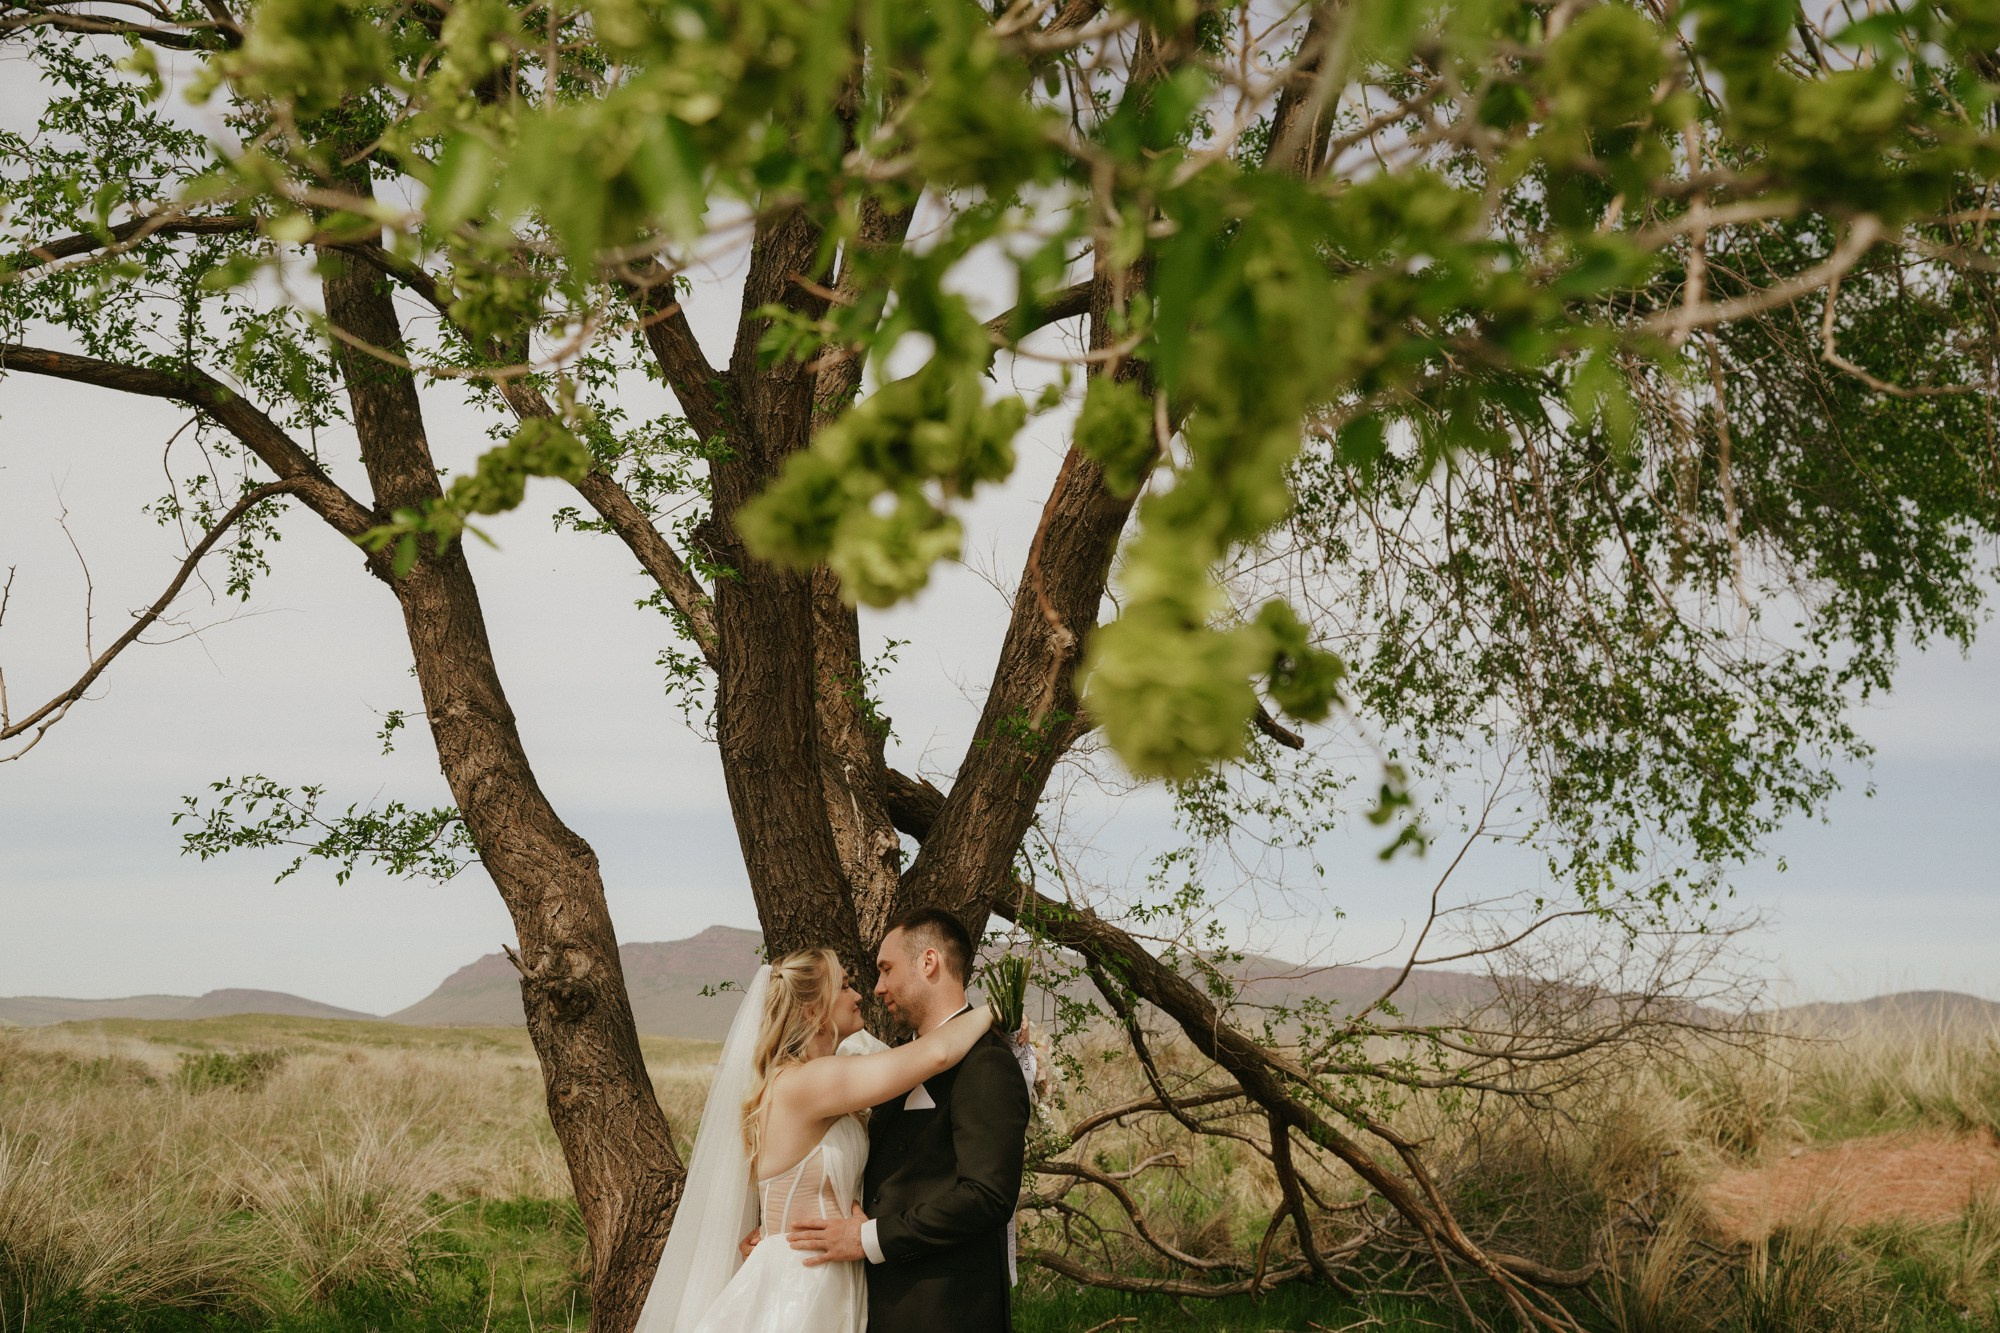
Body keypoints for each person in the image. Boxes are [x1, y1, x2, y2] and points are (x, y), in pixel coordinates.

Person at [633, 944, 994, 1333]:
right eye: (843, 987)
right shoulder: (809, 1083)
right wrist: (999, 1011)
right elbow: (937, 1053)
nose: (858, 995)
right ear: (812, 1011)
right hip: (801, 1281)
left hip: (826, 1269)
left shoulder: (817, 1075)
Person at [787, 908, 1033, 1333]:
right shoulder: (895, 1065)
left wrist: (867, 1239)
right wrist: (777, 1237)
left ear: (928, 962)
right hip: (872, 1306)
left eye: (886, 969)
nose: (877, 987)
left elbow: (987, 1197)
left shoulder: (988, 1062)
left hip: (947, 1312)